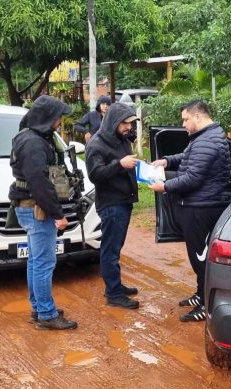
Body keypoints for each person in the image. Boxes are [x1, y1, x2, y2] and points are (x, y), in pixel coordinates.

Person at [149, 100, 231, 322]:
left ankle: (206, 305)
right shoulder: (205, 138)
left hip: (201, 208)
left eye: (185, 119)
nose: (183, 124)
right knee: (197, 256)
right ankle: (199, 294)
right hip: (197, 206)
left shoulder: (208, 140)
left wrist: (164, 186)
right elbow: (187, 158)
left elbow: (193, 178)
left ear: (198, 116)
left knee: (201, 259)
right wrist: (166, 161)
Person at [9, 95, 77, 330]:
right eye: (57, 117)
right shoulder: (34, 143)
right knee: (44, 263)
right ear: (47, 117)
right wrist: (58, 214)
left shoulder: (30, 137)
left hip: (29, 207)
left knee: (36, 261)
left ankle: (39, 309)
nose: (59, 121)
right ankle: (47, 314)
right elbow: (40, 184)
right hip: (36, 209)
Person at [85, 103, 141, 309]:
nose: (128, 127)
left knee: (116, 248)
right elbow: (95, 175)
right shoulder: (97, 144)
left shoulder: (121, 140)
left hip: (124, 201)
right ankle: (114, 294)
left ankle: (115, 285)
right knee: (110, 249)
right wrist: (120, 165)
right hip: (111, 204)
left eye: (130, 123)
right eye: (125, 123)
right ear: (114, 122)